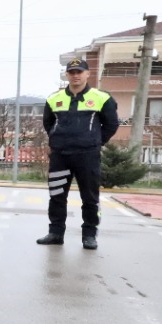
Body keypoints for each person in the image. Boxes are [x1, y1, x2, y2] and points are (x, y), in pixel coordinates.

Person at [39, 56, 119, 250]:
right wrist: (59, 140)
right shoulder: (54, 98)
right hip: (60, 156)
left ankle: (89, 235)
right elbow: (48, 124)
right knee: (57, 195)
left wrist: (95, 142)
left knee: (90, 197)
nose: (76, 76)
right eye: (72, 72)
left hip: (88, 156)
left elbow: (111, 124)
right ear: (67, 75)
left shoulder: (102, 98)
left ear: (87, 74)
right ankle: (56, 233)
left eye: (79, 72)